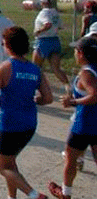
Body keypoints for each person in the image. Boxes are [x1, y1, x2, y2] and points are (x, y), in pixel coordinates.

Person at [0, 26, 53, 199]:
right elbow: (48, 98)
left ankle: (34, 195)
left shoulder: (3, 68)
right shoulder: (35, 69)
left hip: (9, 124)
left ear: (7, 45)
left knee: (3, 167)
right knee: (10, 162)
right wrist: (35, 99)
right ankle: (11, 197)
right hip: (29, 123)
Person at [48, 37, 97, 199]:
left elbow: (94, 95)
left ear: (81, 54)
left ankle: (65, 193)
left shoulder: (86, 73)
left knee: (70, 156)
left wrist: (73, 101)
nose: (75, 54)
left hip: (85, 124)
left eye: (76, 51)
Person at [33, 0, 71, 92]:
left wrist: (39, 31)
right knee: (56, 69)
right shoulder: (55, 13)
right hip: (55, 40)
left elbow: (48, 24)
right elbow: (60, 26)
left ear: (44, 3)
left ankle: (37, 89)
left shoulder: (43, 13)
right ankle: (68, 87)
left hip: (43, 41)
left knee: (36, 67)